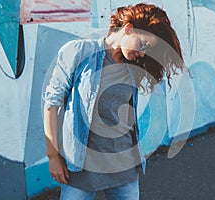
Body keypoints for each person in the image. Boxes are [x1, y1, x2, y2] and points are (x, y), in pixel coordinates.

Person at [43, 3, 186, 200]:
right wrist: (53, 156)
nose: (143, 53)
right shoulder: (79, 51)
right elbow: (52, 102)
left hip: (124, 166)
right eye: (143, 44)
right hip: (84, 168)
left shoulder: (133, 66)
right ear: (129, 29)